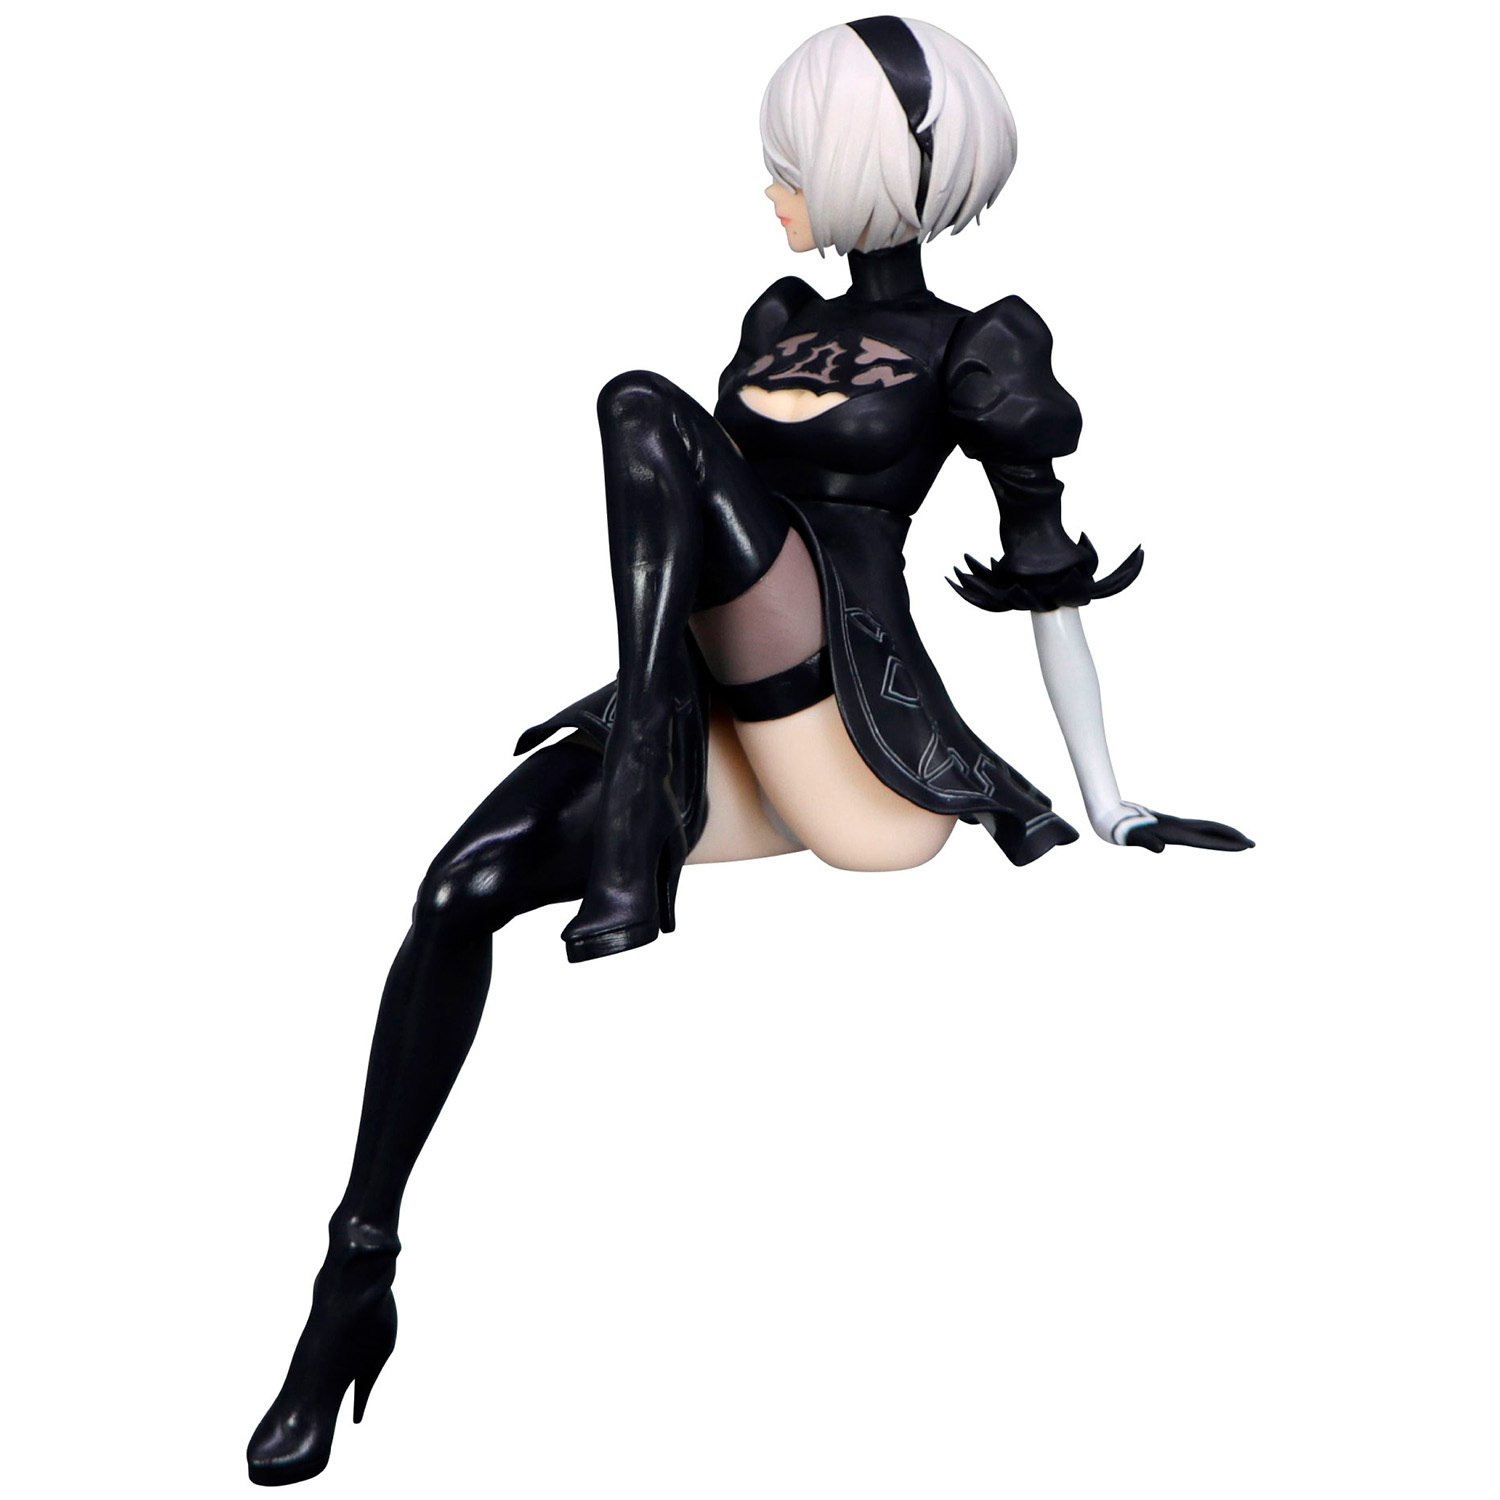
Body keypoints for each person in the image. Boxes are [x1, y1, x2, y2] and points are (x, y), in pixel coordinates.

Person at [247, 16, 1250, 1486]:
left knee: (639, 408)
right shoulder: (776, 317)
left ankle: (634, 819)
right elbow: (691, 525)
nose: (772, 188)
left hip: (849, 736)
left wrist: (1109, 801)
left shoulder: (979, 345)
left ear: (869, 166)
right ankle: (353, 1280)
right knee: (454, 893)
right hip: (713, 721)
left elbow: (1044, 574)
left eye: (793, 161)